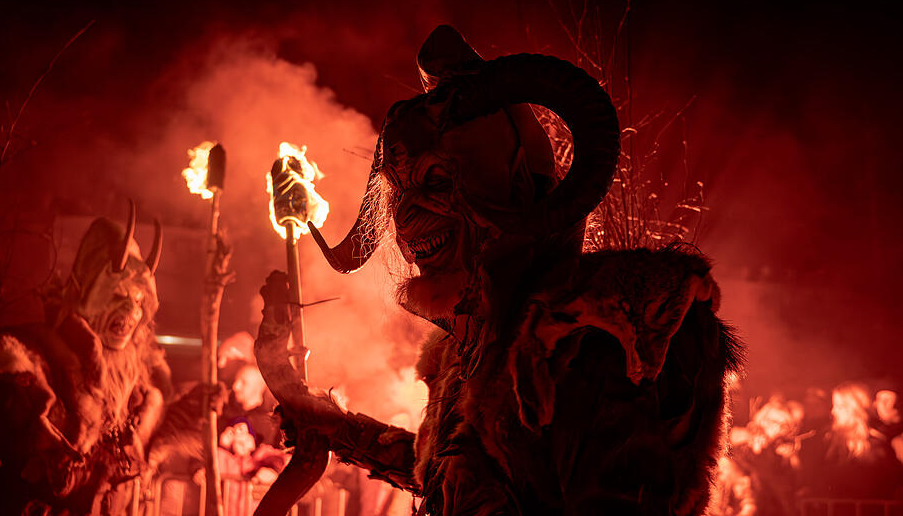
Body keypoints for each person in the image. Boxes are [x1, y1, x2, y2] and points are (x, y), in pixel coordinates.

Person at [255, 25, 743, 515]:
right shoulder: (473, 342)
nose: (404, 217)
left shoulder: (613, 330)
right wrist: (328, 422)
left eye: (437, 181)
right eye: (399, 192)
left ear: (514, 188)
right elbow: (455, 476)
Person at [0, 206, 169, 515]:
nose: (132, 312)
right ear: (86, 292)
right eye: (118, 295)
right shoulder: (38, 362)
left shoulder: (138, 393)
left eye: (137, 300)